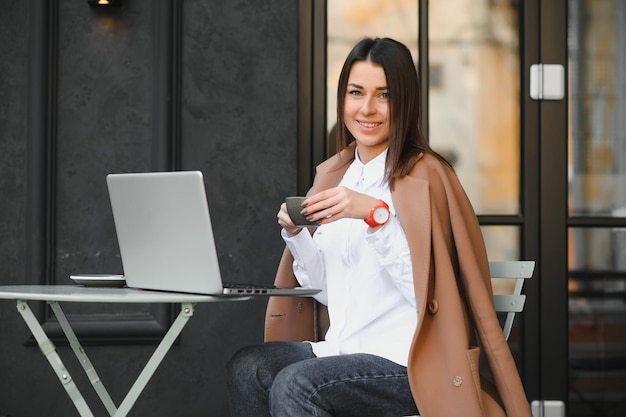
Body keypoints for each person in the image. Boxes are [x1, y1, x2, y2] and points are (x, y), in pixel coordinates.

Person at [226, 37, 531, 417]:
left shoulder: (428, 176)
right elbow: (325, 293)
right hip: (340, 354)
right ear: (343, 99)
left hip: (409, 364)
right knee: (248, 367)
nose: (367, 109)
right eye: (356, 92)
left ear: (405, 102)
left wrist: (375, 215)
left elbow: (431, 298)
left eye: (384, 95)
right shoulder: (335, 176)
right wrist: (298, 234)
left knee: (298, 384)